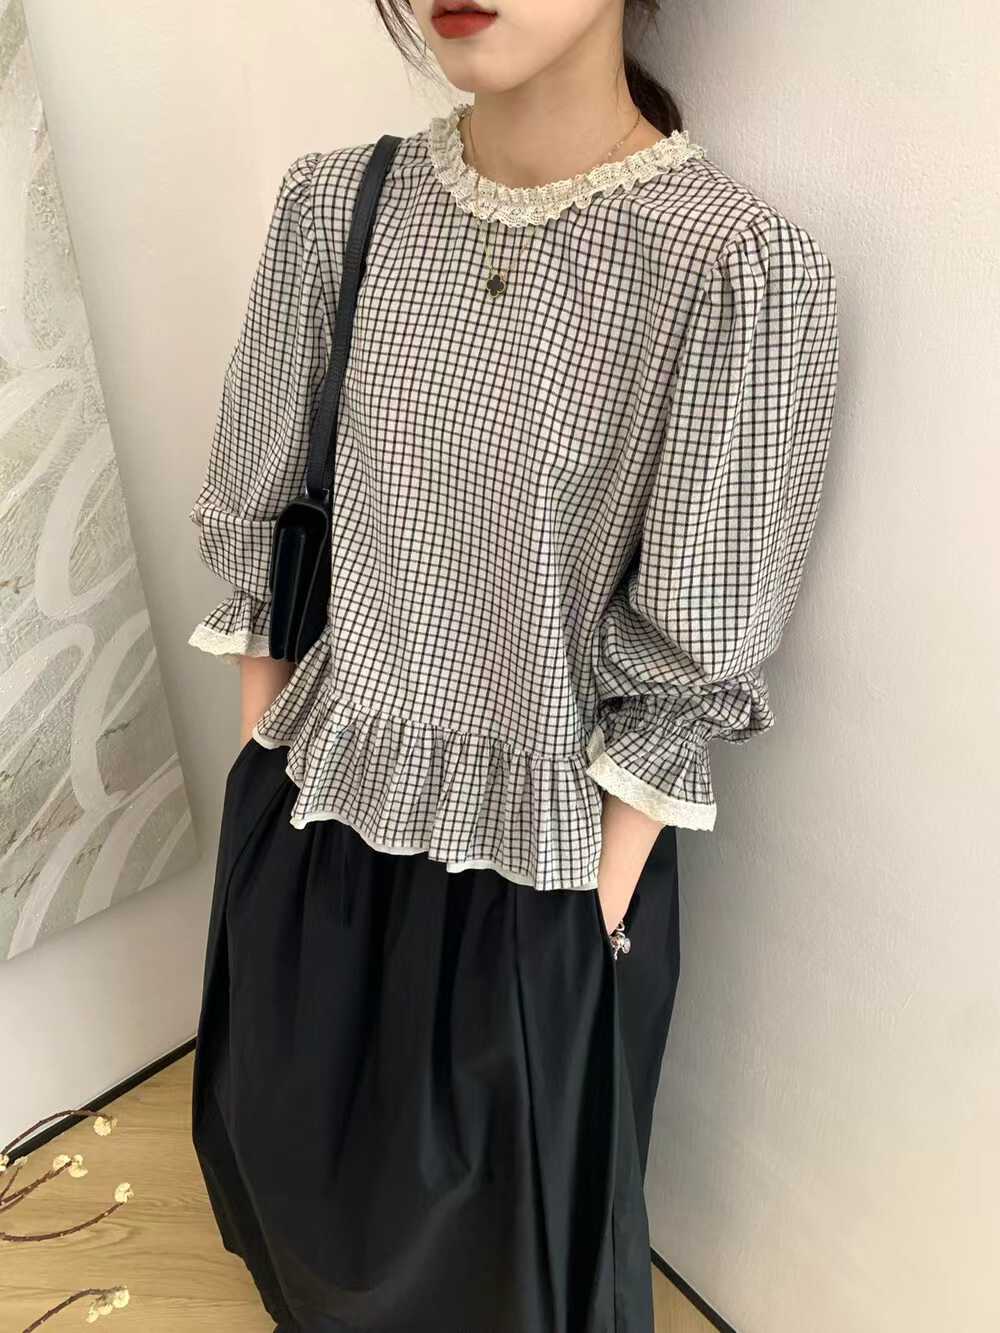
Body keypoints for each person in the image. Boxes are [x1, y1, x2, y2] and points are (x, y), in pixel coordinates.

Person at [185, 2, 840, 1329]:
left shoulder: (731, 268)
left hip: (541, 875)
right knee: (296, 1198)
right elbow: (265, 523)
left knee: (505, 1279)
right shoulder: (337, 207)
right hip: (317, 813)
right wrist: (260, 809)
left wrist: (583, 928)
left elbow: (696, 659)